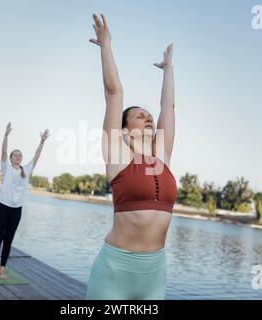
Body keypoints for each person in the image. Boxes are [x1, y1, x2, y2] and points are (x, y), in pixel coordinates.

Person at [86, 14, 177, 299]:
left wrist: (168, 69)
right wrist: (106, 47)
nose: (149, 118)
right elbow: (115, 93)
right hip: (115, 271)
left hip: (154, 275)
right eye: (140, 116)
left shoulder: (162, 157)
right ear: (125, 129)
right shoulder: (118, 155)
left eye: (150, 117)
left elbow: (169, 107)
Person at [0, 122, 50, 279]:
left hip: (16, 210)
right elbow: (3, 152)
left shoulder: (27, 170)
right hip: (2, 207)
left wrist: (42, 142)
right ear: (10, 159)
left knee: (8, 239)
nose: (18, 157)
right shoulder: (6, 168)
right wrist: (6, 135)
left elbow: (36, 156)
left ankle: (2, 269)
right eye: (15, 155)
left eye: (20, 155)